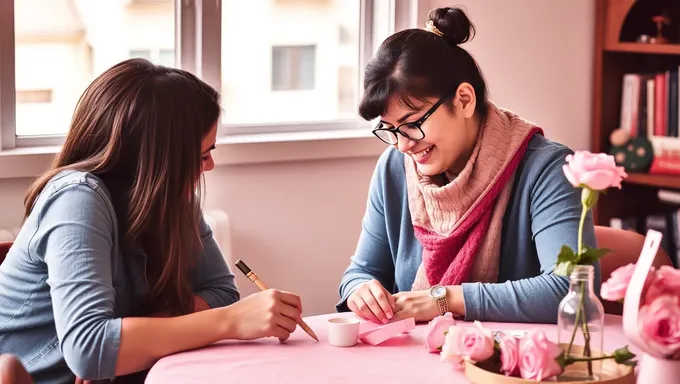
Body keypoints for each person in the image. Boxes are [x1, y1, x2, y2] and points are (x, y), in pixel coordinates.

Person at [0, 59, 304, 383]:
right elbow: (89, 350)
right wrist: (229, 322)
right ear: (158, 158)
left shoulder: (172, 200)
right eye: (201, 155)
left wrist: (130, 334)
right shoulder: (77, 198)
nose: (210, 166)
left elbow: (220, 293)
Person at [337, 7, 598, 325]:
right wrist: (360, 290)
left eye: (411, 124)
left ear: (463, 99)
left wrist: (445, 300)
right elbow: (362, 272)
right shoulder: (395, 167)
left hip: (505, 367)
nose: (403, 145)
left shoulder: (546, 169)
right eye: (389, 129)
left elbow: (572, 291)